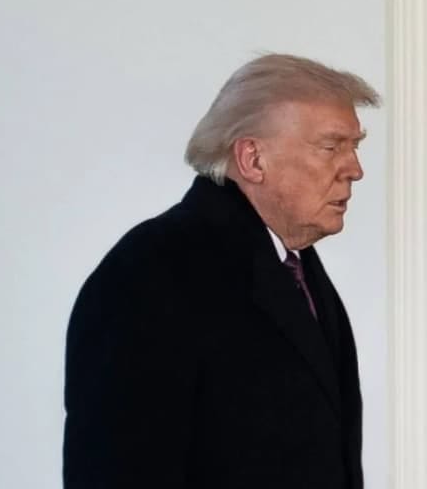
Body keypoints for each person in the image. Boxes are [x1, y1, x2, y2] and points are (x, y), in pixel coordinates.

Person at [63, 54, 380, 489]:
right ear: (252, 158)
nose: (355, 170)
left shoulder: (294, 263)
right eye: (331, 147)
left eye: (354, 146)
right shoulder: (151, 271)